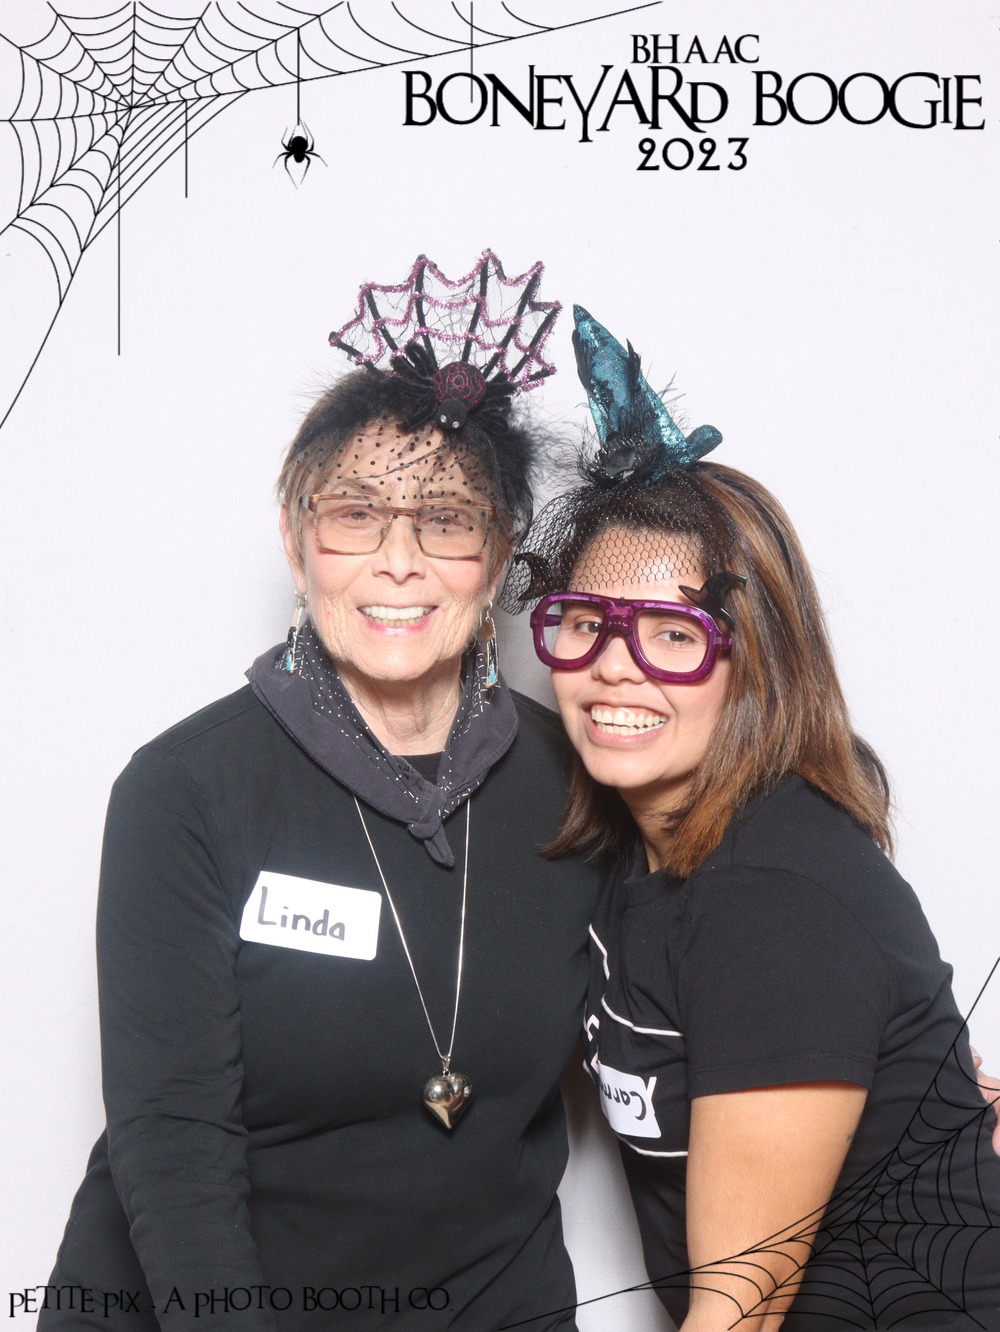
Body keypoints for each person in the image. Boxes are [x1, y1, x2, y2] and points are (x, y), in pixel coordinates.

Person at [40, 255, 604, 1331]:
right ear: (298, 544)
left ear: (496, 559)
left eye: (447, 519)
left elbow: (689, 1005)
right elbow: (173, 1142)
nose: (398, 561)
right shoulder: (184, 791)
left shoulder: (578, 785)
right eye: (355, 515)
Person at [508, 306, 1000, 1330]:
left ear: (755, 662)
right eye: (585, 623)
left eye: (672, 635)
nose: (614, 668)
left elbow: (739, 1314)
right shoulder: (628, 851)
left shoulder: (774, 900)